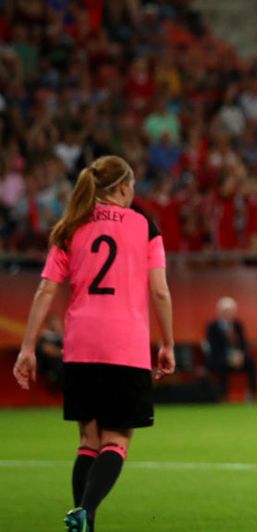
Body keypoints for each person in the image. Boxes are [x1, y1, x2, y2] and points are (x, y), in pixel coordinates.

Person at [12, 155, 175, 531]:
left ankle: (83, 520)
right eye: (132, 187)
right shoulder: (144, 226)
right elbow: (161, 292)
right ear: (121, 187)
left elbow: (45, 289)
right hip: (125, 345)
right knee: (116, 439)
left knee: (88, 440)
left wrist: (27, 348)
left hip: (81, 344)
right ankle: (86, 510)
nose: (133, 193)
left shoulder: (71, 226)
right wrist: (166, 343)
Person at [205, 296, 257, 401]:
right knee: (221, 365)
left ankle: (253, 393)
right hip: (220, 357)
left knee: (251, 362)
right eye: (225, 311)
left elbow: (244, 344)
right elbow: (214, 348)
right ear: (219, 312)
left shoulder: (238, 325)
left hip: (238, 357)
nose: (228, 313)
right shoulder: (212, 327)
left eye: (230, 311)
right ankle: (223, 395)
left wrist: (240, 356)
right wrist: (228, 357)